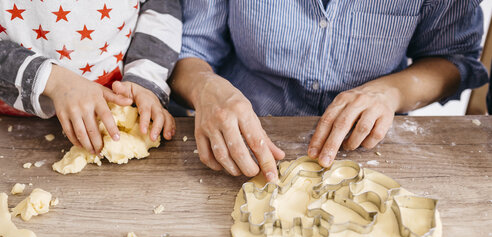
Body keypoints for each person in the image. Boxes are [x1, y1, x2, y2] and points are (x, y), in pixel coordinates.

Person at [170, 0, 488, 182]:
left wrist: (391, 92)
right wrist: (204, 87)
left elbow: (454, 59)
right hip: (238, 141)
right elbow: (191, 49)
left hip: (372, 150)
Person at [0, 0, 182, 154]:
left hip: (113, 104)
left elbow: (160, 8)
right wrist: (52, 80)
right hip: (11, 117)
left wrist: (145, 78)